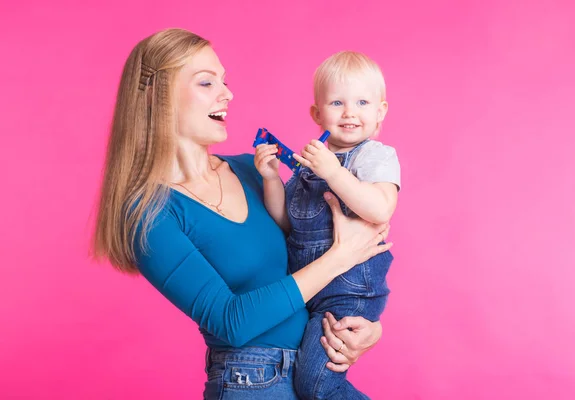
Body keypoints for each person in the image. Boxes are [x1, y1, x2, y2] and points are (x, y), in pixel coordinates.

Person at [91, 29, 392, 399]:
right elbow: (232, 321)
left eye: (225, 80)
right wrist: (342, 255)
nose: (228, 93)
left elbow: (305, 259)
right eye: (207, 82)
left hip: (313, 369)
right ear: (157, 96)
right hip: (251, 381)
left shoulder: (253, 170)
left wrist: (366, 327)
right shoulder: (148, 214)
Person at [254, 51, 400, 399]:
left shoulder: (374, 156)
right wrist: (272, 179)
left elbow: (379, 208)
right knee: (296, 379)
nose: (350, 112)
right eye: (337, 102)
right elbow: (286, 224)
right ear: (317, 114)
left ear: (380, 111)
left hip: (349, 294)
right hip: (308, 289)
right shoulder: (310, 162)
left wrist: (333, 172)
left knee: (315, 385)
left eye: (362, 102)